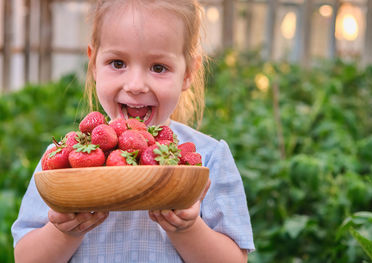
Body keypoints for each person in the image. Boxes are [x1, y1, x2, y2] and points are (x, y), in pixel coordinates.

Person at [12, 0, 255, 262]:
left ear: (187, 75)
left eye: (158, 67)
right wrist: (64, 233)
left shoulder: (207, 159)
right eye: (118, 63)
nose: (136, 85)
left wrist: (188, 229)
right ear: (93, 64)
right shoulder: (64, 161)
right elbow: (26, 257)